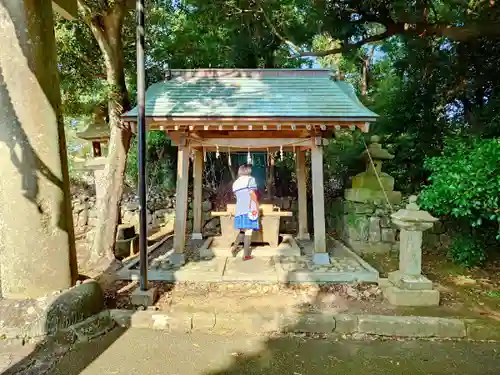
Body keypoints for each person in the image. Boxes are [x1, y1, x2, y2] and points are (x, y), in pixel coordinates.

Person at [230, 164, 259, 260]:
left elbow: (237, 197)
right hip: (250, 209)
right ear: (248, 171)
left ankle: (234, 248)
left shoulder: (235, 183)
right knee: (249, 231)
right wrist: (257, 207)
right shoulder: (250, 180)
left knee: (243, 230)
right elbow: (252, 194)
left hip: (239, 210)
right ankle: (246, 255)